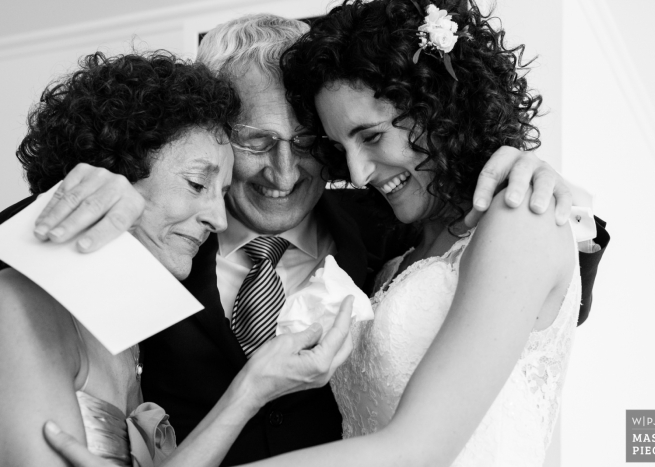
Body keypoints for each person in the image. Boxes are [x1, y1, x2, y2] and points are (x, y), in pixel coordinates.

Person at [0, 11, 608, 466]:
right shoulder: (155, 241)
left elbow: (515, 314)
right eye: (256, 142)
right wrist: (67, 192)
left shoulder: (387, 222)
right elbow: (26, 284)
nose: (284, 173)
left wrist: (559, 202)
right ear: (213, 129)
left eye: (310, 146)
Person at [0, 51, 352, 467]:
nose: (219, 219)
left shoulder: (131, 342)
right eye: (197, 183)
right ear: (111, 170)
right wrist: (250, 390)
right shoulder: (20, 307)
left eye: (221, 194)